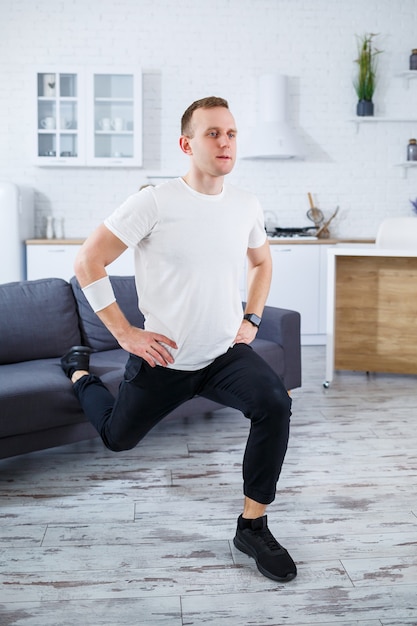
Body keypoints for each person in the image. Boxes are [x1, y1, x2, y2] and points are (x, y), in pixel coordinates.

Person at [60, 96, 297, 583]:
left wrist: (250, 320)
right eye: (213, 133)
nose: (225, 142)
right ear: (186, 144)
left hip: (223, 356)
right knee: (116, 439)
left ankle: (252, 526)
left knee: (275, 403)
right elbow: (88, 261)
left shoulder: (246, 204)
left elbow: (262, 262)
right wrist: (124, 332)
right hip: (164, 360)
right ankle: (81, 373)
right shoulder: (154, 201)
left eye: (231, 133)